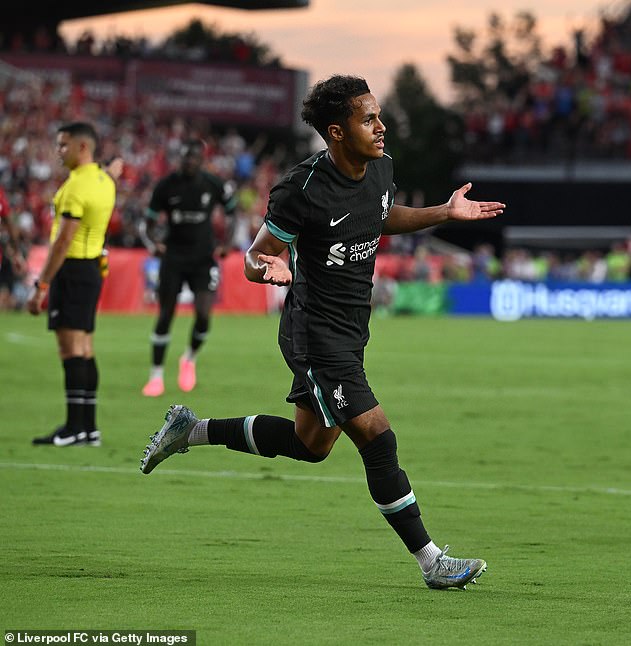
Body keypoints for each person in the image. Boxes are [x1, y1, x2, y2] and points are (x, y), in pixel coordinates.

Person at [140, 76, 505, 590]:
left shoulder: (381, 168)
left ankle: (191, 429)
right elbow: (254, 255)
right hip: (314, 334)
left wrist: (442, 213)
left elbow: (380, 217)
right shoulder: (302, 188)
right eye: (368, 119)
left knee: (310, 444)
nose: (381, 127)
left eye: (379, 116)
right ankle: (432, 561)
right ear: (336, 132)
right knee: (377, 437)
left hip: (352, 330)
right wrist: (268, 267)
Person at [28, 122, 119, 447]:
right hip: (92, 267)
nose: (58, 150)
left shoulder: (76, 187)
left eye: (63, 144)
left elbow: (63, 240)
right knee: (85, 348)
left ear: (83, 147)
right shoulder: (104, 181)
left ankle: (73, 428)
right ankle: (87, 428)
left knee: (70, 351)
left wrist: (42, 284)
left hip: (73, 270)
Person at [139, 139, 237, 397]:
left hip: (203, 258)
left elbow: (232, 212)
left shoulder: (212, 184)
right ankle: (156, 376)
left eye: (194, 158)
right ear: (179, 159)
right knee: (165, 315)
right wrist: (153, 243)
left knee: (204, 315)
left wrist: (226, 243)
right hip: (173, 257)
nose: (189, 162)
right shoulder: (165, 186)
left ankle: (189, 358)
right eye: (185, 158)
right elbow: (148, 222)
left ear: (201, 160)